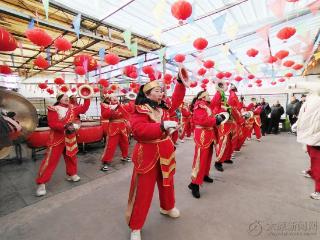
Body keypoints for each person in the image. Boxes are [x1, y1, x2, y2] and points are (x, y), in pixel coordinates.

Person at [126, 76, 186, 240]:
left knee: (167, 183)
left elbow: (177, 99)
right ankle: (136, 226)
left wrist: (180, 83)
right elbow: (138, 130)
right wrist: (161, 126)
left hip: (165, 150)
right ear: (147, 94)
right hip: (146, 153)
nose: (161, 94)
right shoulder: (139, 109)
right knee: (143, 191)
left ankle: (167, 207)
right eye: (157, 91)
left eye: (161, 91)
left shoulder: (164, 108)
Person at [35, 93, 90, 196]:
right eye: (63, 97)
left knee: (71, 156)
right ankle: (41, 183)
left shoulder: (73, 108)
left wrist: (87, 98)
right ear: (59, 99)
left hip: (70, 137)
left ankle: (72, 174)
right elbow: (52, 124)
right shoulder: (53, 109)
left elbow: (83, 109)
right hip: (57, 138)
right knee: (51, 160)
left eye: (67, 97)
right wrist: (66, 126)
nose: (66, 99)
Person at [188, 90, 225, 198]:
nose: (210, 97)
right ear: (203, 97)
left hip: (208, 133)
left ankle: (204, 175)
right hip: (203, 135)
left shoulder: (206, 105)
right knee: (200, 159)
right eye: (208, 95)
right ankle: (194, 184)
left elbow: (214, 102)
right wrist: (216, 120)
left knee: (207, 157)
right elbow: (202, 120)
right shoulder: (200, 106)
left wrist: (220, 91)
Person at [291, 81, 320, 200]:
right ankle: (312, 172)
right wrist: (297, 124)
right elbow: (304, 116)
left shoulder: (316, 100)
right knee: (312, 157)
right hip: (310, 135)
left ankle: (319, 190)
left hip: (316, 137)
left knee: (318, 161)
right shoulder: (311, 100)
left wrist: (297, 85)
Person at [99, 94, 132, 171]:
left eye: (116, 97)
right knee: (111, 145)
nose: (115, 98)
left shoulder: (121, 106)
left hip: (122, 127)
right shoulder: (106, 106)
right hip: (113, 127)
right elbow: (104, 115)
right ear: (109, 99)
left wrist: (129, 101)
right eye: (113, 97)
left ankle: (125, 156)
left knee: (125, 142)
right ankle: (106, 162)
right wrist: (111, 109)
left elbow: (128, 112)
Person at [211, 80, 233, 172]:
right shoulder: (218, 94)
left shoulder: (222, 94)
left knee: (227, 141)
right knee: (223, 141)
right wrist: (224, 109)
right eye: (220, 85)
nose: (223, 86)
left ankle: (225, 157)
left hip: (227, 120)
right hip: (222, 120)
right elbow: (215, 107)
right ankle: (218, 161)